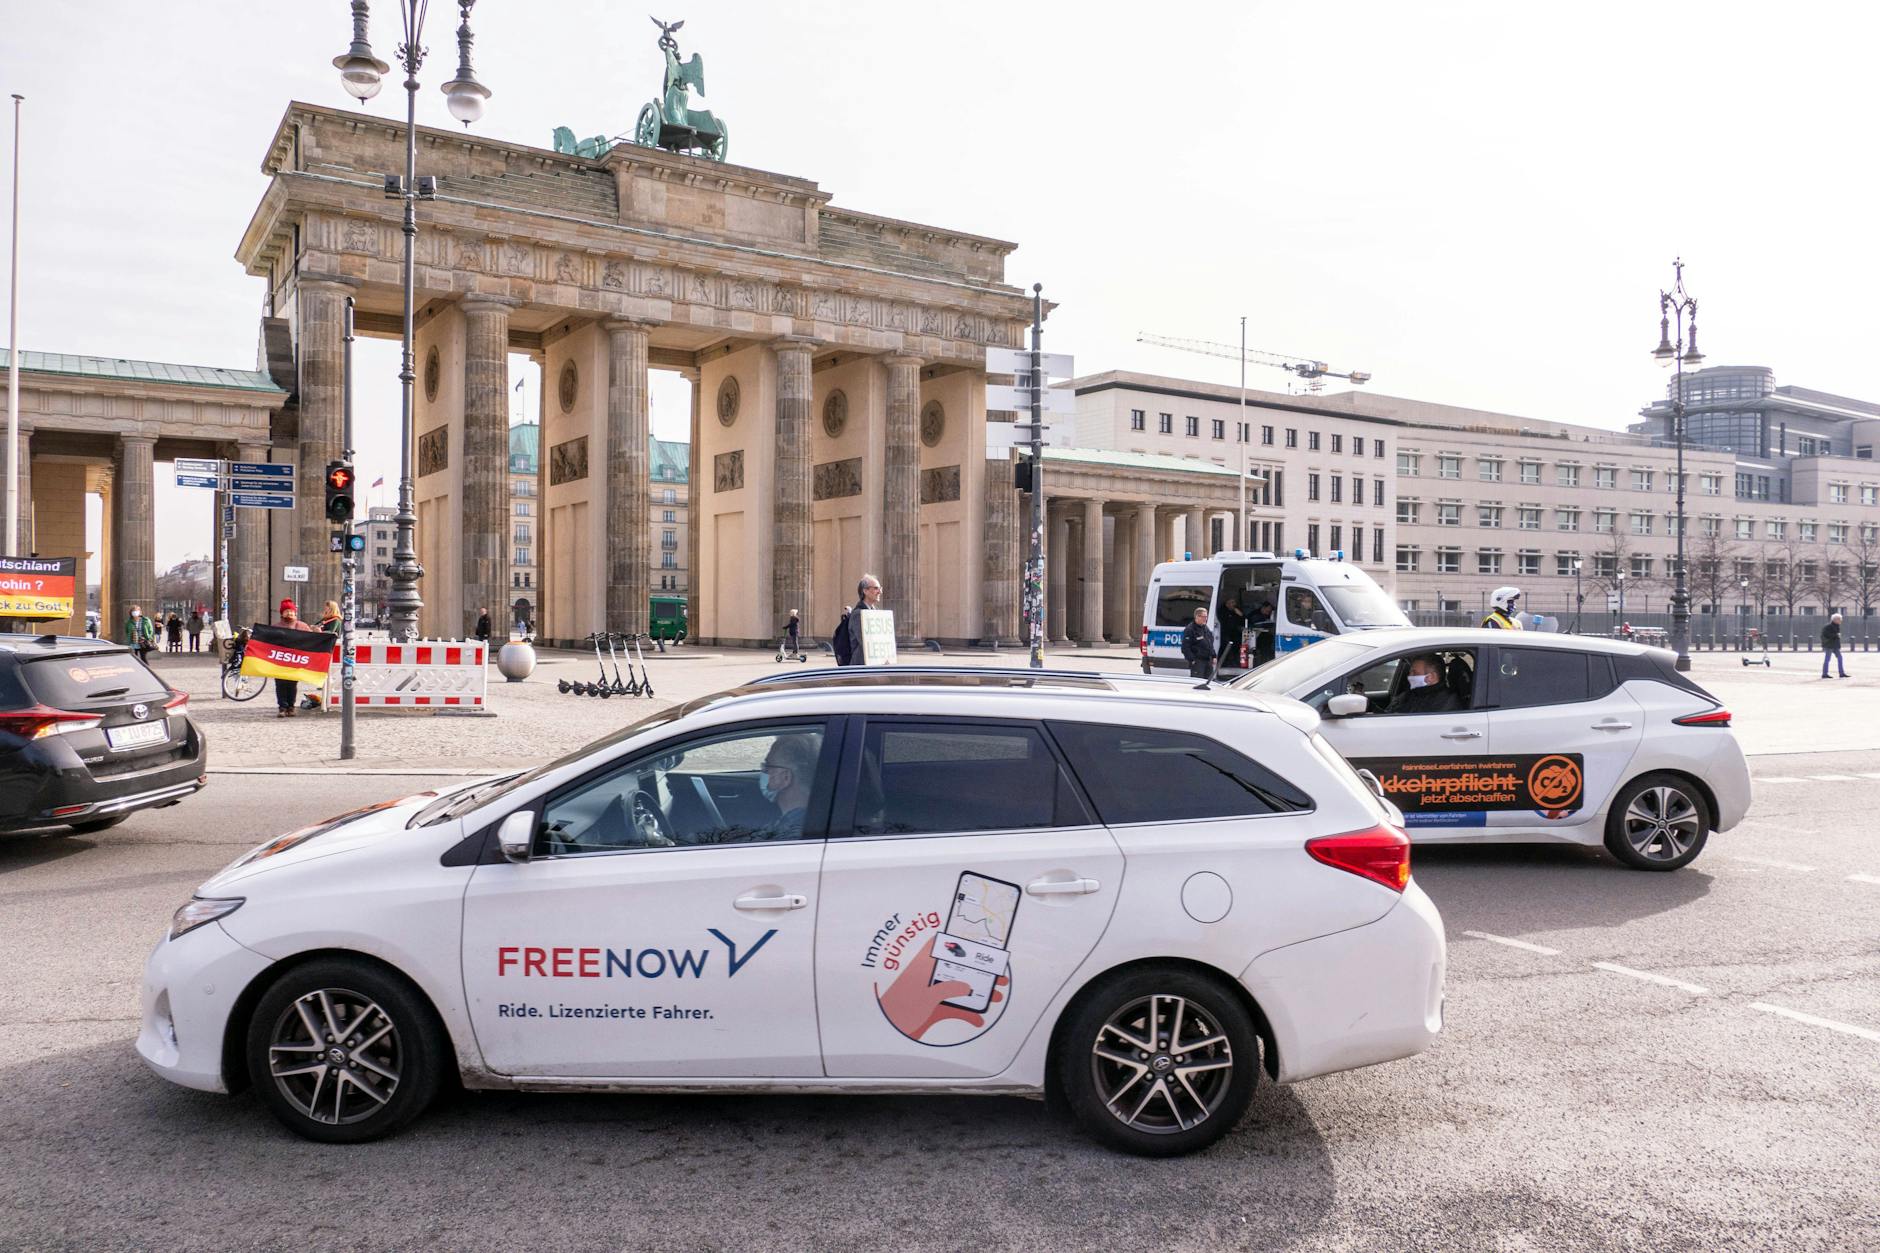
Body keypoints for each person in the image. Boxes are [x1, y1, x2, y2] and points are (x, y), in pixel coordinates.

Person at [750, 734, 819, 841]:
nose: (763, 772)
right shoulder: (808, 819)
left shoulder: (791, 832)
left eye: (767, 767)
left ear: (786, 777)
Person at [272, 599, 320, 718]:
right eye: (287, 611)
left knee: (292, 685)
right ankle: (282, 707)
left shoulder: (302, 626)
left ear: (295, 613)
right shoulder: (275, 627)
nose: (289, 613)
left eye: (291, 611)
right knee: (280, 685)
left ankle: (291, 707)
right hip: (280, 662)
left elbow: (311, 640)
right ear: (282, 613)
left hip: (295, 661)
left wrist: (317, 633)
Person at [1387, 654, 1462, 714]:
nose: (1409, 676)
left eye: (1414, 673)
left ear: (1431, 677)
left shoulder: (1446, 702)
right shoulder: (1413, 693)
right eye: (1410, 672)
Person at [302, 600, 343, 711]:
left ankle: (328, 687)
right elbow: (316, 625)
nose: (325, 609)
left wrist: (319, 630)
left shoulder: (336, 619)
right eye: (325, 607)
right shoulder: (325, 619)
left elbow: (332, 632)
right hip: (322, 645)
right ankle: (322, 683)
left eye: (328, 608)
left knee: (329, 669)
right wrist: (313, 627)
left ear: (332, 609)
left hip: (329, 646)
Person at [838, 575, 884, 666]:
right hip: (861, 668)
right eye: (876, 588)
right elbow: (866, 642)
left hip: (873, 665)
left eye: (880, 588)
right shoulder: (858, 614)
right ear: (865, 591)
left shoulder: (874, 612)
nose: (880, 592)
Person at [1182, 605, 1216, 686]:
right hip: (1198, 661)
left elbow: (1209, 643)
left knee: (1208, 684)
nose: (1205, 619)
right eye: (1203, 617)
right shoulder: (1190, 629)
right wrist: (1192, 660)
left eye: (1206, 616)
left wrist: (1214, 656)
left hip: (1207, 661)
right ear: (1197, 616)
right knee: (1197, 683)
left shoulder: (1205, 628)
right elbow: (1185, 648)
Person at [1217, 597, 1247, 667]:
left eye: (1234, 602)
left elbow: (1244, 620)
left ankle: (1236, 661)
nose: (1234, 604)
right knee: (1227, 644)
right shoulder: (1222, 611)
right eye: (1232, 602)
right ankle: (1229, 662)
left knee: (1239, 642)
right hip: (1224, 632)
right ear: (1227, 604)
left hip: (1234, 632)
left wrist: (1241, 615)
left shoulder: (1235, 610)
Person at [1822, 611, 1848, 679]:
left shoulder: (1837, 626)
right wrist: (1836, 635)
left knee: (1840, 658)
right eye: (1839, 619)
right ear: (1835, 620)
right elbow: (1825, 635)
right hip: (1829, 645)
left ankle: (1841, 673)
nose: (1841, 620)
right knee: (1827, 659)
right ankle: (1824, 674)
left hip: (1835, 646)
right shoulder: (1828, 626)